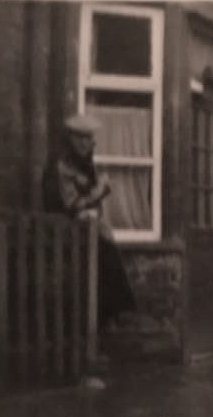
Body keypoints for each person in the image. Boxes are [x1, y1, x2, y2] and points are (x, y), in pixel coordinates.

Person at [42, 114, 136, 333]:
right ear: (71, 140)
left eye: (89, 139)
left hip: (85, 230)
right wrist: (99, 192)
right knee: (104, 260)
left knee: (108, 256)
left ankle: (116, 315)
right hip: (64, 230)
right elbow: (70, 204)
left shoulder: (84, 164)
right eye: (81, 139)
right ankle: (110, 317)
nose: (86, 144)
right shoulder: (62, 166)